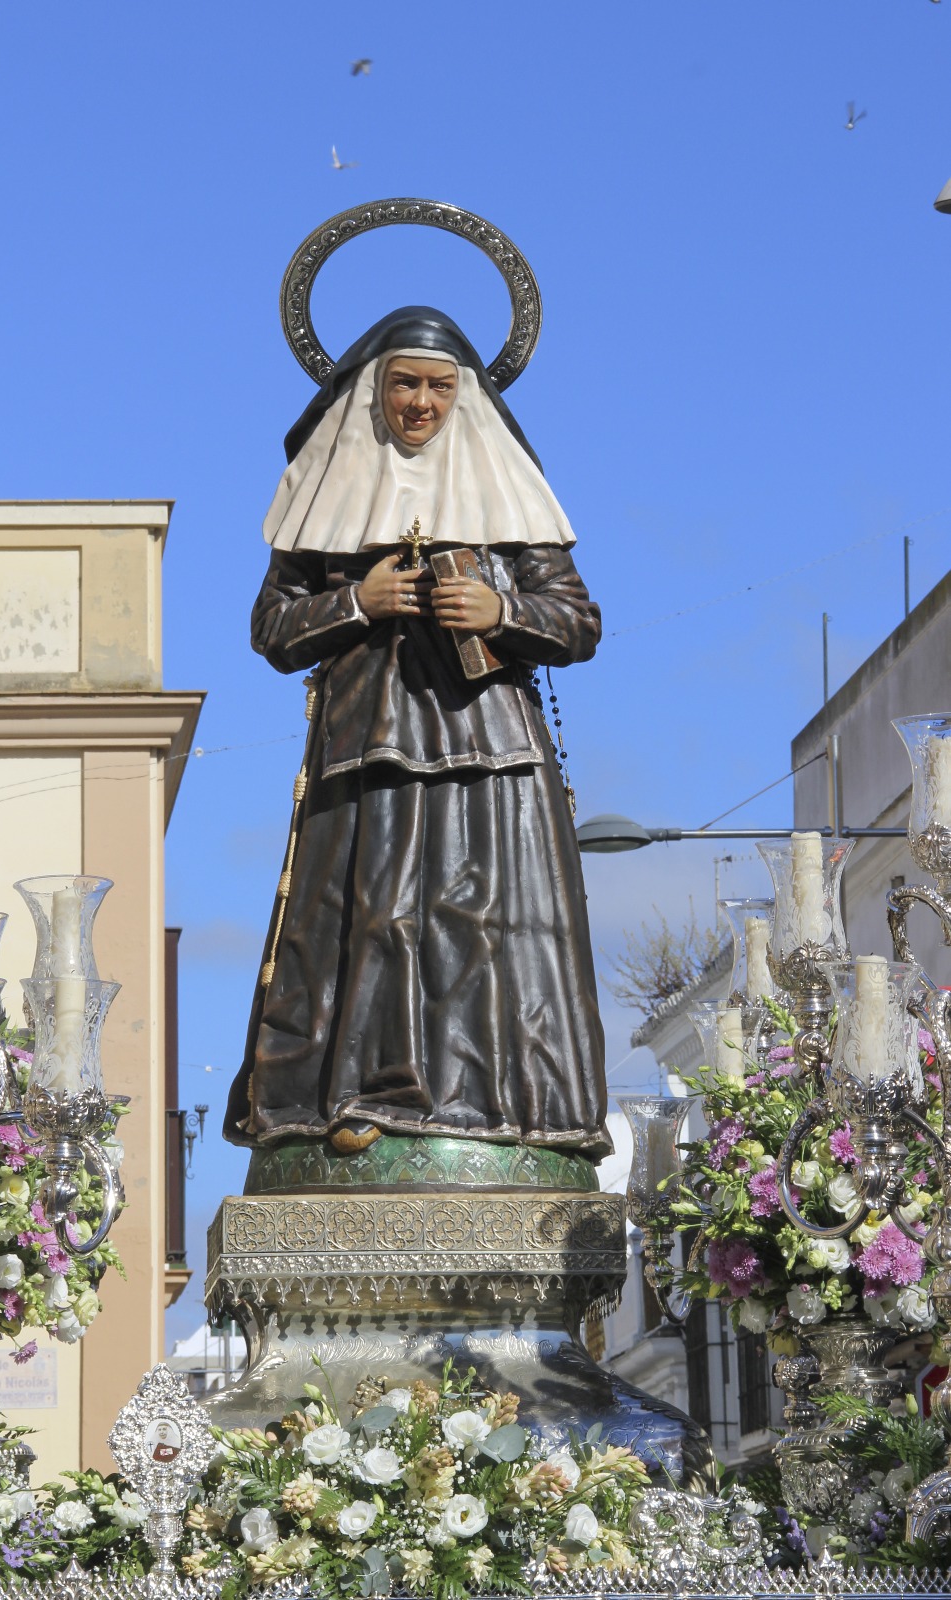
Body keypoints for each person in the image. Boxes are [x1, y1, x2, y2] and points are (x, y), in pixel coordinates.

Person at [223, 306, 611, 1160]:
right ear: (373, 392)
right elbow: (272, 627)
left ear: (464, 396)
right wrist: (357, 601)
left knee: (492, 925)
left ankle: (520, 1112)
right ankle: (364, 1095)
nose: (422, 404)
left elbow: (576, 621)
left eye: (440, 387)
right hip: (370, 743)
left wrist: (501, 608)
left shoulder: (506, 490)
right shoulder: (327, 493)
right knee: (381, 918)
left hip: (494, 750)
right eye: (405, 384)